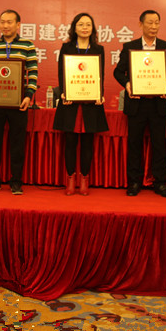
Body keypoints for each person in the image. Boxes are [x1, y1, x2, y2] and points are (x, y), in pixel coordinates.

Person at [113, 9, 166, 198]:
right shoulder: (130, 47)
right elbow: (118, 72)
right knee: (135, 144)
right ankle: (134, 182)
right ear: (141, 24)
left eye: (157, 22)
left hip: (158, 103)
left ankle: (160, 183)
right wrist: (128, 85)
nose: (153, 26)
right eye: (150, 22)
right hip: (137, 104)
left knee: (159, 145)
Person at [0, 9, 38, 195]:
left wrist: (28, 96)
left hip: (19, 103)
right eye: (2, 22)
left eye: (9, 22)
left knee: (17, 143)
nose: (5, 25)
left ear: (18, 25)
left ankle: (16, 182)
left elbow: (33, 73)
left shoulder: (27, 46)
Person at [53, 12, 109, 196]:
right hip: (70, 102)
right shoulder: (67, 47)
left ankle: (85, 178)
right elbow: (62, 72)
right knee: (70, 142)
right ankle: (70, 179)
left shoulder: (98, 49)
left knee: (87, 143)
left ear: (93, 28)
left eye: (88, 25)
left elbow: (100, 74)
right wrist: (64, 92)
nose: (85, 28)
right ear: (74, 28)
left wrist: (99, 94)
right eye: (81, 24)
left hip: (90, 103)